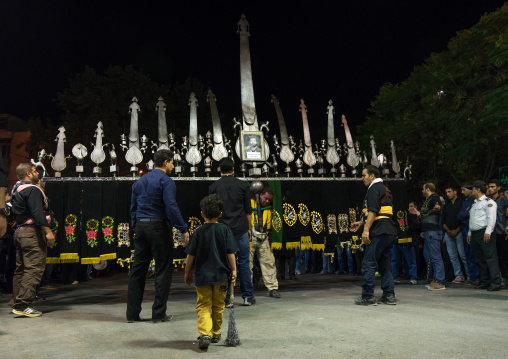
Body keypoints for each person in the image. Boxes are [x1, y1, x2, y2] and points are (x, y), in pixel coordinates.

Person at [126, 149, 189, 323]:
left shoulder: (139, 182)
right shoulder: (166, 181)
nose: (173, 166)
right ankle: (158, 313)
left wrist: (136, 227)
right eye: (172, 163)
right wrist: (183, 228)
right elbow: (171, 207)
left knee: (138, 271)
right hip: (158, 227)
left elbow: (132, 208)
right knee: (162, 270)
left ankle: (131, 314)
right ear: (166, 162)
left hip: (140, 225)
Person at [184, 194, 239, 350]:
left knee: (203, 305)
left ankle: (205, 334)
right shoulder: (225, 230)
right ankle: (215, 333)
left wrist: (187, 272)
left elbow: (191, 255)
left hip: (202, 277)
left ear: (202, 214)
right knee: (219, 305)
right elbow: (230, 252)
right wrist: (234, 270)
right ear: (220, 214)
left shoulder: (199, 232)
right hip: (221, 276)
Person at [9, 163, 55, 317]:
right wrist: (48, 232)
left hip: (20, 233)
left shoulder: (16, 188)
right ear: (28, 173)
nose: (38, 174)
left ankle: (17, 301)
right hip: (31, 233)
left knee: (21, 269)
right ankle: (23, 304)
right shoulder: (32, 190)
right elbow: (37, 213)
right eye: (36, 171)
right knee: (34, 268)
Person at [209, 157, 255, 307]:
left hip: (222, 231)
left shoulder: (214, 187)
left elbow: (212, 212)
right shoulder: (243, 186)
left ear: (219, 169)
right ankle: (247, 296)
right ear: (233, 168)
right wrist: (248, 228)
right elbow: (248, 211)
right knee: (244, 263)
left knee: (225, 264)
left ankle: (226, 299)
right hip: (240, 230)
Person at [351, 165, 398, 306]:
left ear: (372, 176)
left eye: (364, 175)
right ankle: (389, 296)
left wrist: (366, 230)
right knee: (385, 265)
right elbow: (381, 212)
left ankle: (368, 296)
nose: (362, 178)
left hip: (378, 232)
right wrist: (361, 222)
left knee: (369, 264)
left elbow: (373, 211)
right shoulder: (385, 189)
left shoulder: (373, 189)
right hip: (389, 231)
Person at [410, 183, 445, 290]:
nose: (422, 191)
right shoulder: (429, 199)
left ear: (428, 189)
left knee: (436, 256)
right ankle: (436, 279)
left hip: (432, 231)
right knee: (433, 257)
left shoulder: (434, 198)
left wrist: (438, 207)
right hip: (429, 231)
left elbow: (438, 206)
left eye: (423, 189)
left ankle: (439, 280)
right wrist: (418, 213)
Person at [467, 180, 500, 291]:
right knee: (480, 259)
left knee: (490, 258)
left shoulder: (488, 202)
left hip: (484, 232)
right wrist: (470, 233)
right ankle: (485, 281)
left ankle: (495, 282)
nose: (472, 191)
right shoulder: (475, 203)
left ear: (478, 190)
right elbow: (472, 220)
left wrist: (488, 231)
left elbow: (491, 218)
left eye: (473, 189)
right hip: (475, 233)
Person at [250, 186, 280, 298]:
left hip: (264, 235)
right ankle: (248, 291)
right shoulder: (250, 203)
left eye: (269, 200)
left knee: (269, 262)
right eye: (265, 198)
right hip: (251, 235)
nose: (267, 201)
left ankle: (273, 289)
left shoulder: (271, 207)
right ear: (260, 195)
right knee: (247, 264)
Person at [441, 185, 469, 283]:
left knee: (463, 255)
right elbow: (443, 220)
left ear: (455, 192)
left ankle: (469, 275)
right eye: (446, 192)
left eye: (449, 191)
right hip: (449, 233)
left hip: (460, 231)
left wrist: (457, 230)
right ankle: (459, 276)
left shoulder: (462, 203)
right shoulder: (446, 205)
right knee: (452, 256)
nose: (448, 194)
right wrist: (448, 231)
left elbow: (464, 219)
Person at [486, 179, 508, 287]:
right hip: (492, 233)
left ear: (498, 188)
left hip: (502, 232)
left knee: (505, 256)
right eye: (489, 187)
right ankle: (502, 279)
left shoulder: (503, 200)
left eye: (492, 187)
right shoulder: (488, 201)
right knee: (497, 257)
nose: (490, 189)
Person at [458, 182, 480, 285]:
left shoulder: (474, 201)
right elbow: (460, 215)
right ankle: (472, 277)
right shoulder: (465, 201)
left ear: (471, 189)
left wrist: (466, 213)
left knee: (474, 253)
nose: (462, 192)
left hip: (471, 228)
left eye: (464, 190)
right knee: (468, 254)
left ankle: (477, 277)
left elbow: (470, 214)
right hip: (465, 228)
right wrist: (466, 212)